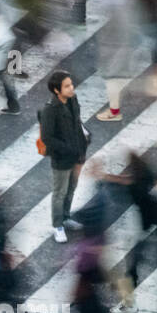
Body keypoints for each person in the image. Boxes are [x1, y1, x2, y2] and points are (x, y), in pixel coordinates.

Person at [38, 70, 88, 244]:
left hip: (79, 153)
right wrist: (67, 149)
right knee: (60, 192)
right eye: (67, 86)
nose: (71, 88)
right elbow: (47, 138)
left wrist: (83, 141)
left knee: (71, 188)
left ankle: (66, 217)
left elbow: (77, 122)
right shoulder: (50, 110)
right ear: (57, 90)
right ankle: (58, 225)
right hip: (62, 158)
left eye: (71, 84)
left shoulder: (73, 100)